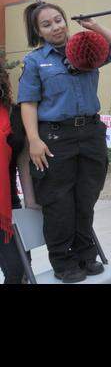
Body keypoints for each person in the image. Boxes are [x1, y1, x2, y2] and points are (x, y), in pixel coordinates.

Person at [17, 1, 111, 283]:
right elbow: (28, 103)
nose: (55, 26)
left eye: (58, 20)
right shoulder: (35, 61)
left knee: (86, 198)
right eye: (47, 24)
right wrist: (33, 140)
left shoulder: (85, 47)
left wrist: (95, 26)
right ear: (38, 31)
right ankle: (63, 261)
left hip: (90, 133)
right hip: (55, 137)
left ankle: (85, 254)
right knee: (58, 202)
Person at [1, 67, 38, 285]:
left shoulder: (15, 114)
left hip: (8, 205)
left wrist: (31, 200)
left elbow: (23, 159)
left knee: (21, 269)